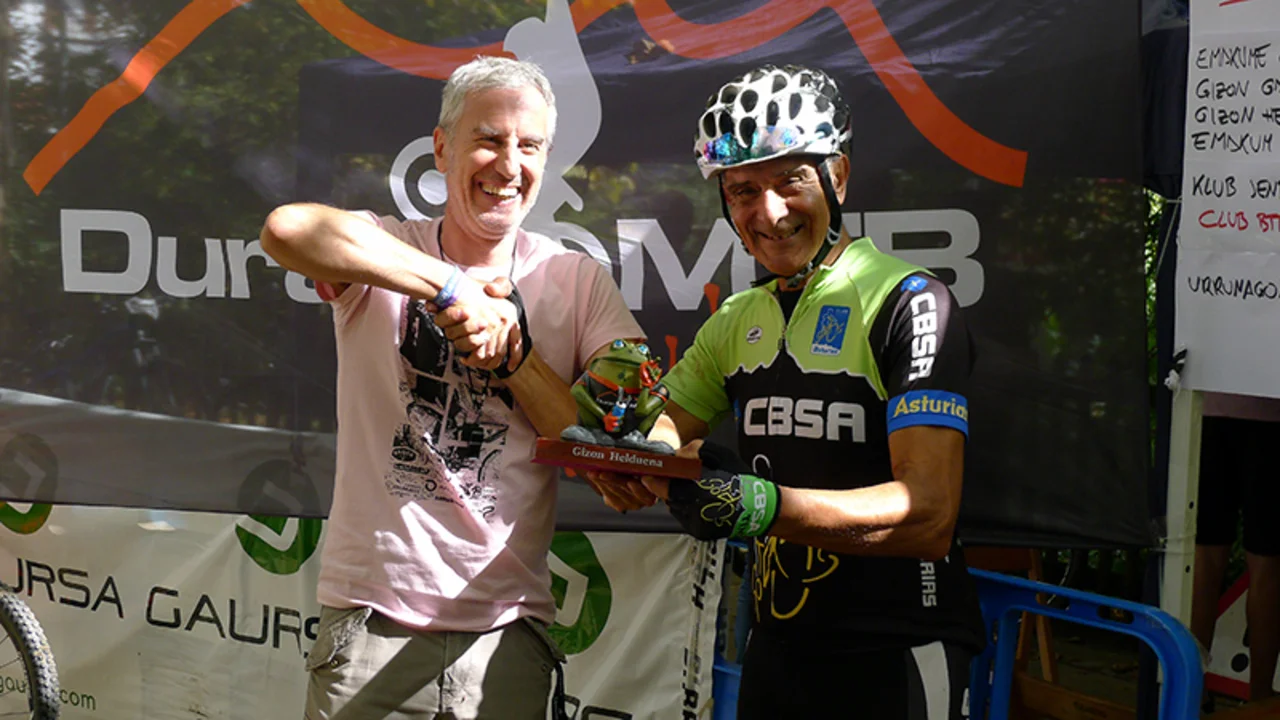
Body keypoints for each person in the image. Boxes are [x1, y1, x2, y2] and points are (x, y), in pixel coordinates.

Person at [260, 56, 643, 719]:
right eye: (489, 139)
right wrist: (451, 287)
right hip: (371, 624)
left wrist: (516, 358)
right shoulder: (386, 247)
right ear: (442, 148)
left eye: (530, 146)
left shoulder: (577, 280)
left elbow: (615, 448)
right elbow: (285, 231)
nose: (509, 164)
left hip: (506, 634)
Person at [609, 64, 985, 718]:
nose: (769, 212)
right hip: (777, 646)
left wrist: (756, 505)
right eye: (743, 190)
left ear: (837, 176)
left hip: (897, 646)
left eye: (790, 181)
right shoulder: (736, 318)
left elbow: (928, 514)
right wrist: (650, 459)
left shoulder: (910, 302)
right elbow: (660, 431)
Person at [1190, 392, 1280, 704]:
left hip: (1208, 407)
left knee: (1204, 556)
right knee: (1267, 564)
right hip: (1270, 414)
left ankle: (1192, 689)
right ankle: (1260, 699)